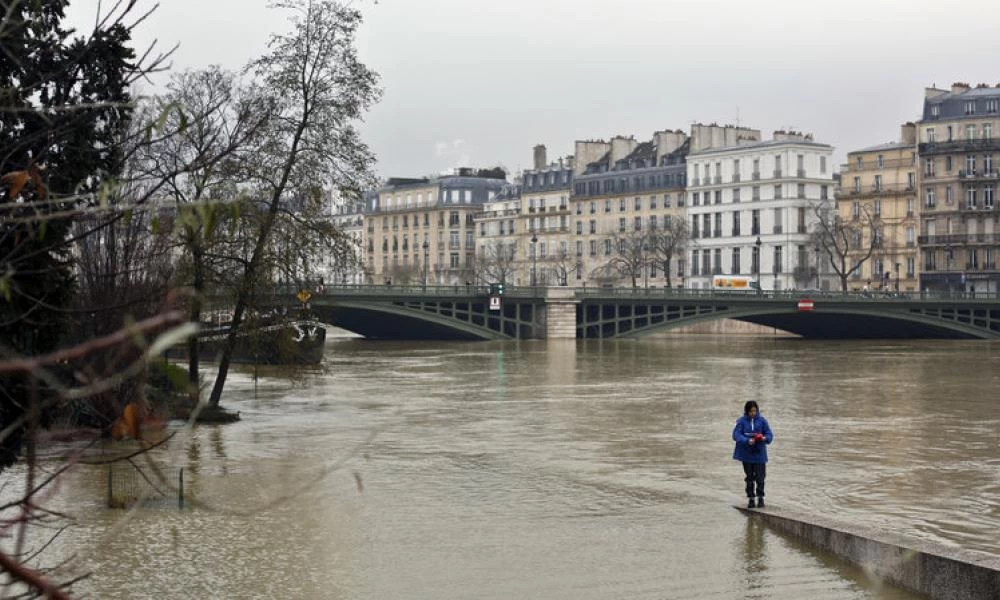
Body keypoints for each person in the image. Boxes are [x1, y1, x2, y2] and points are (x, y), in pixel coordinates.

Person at [732, 400, 773, 509]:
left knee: (760, 477)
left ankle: (760, 498)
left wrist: (765, 438)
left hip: (760, 454)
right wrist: (747, 440)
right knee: (749, 477)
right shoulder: (741, 422)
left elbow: (769, 434)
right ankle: (751, 498)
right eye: (751, 411)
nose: (753, 413)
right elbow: (736, 435)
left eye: (755, 411)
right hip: (747, 454)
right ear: (747, 411)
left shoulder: (762, 421)